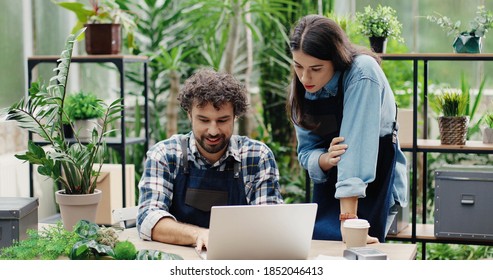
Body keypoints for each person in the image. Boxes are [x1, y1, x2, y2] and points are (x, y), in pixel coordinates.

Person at [286, 14, 408, 243]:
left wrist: (349, 221)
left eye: (316, 68)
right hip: (329, 188)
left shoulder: (362, 72)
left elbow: (354, 150)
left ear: (337, 58)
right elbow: (306, 152)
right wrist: (324, 159)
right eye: (298, 66)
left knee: (358, 256)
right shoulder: (302, 83)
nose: (305, 77)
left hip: (372, 183)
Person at [137, 68, 284, 251]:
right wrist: (199, 235)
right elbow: (148, 220)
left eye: (222, 120)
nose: (213, 131)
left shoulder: (257, 156)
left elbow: (269, 224)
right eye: (204, 120)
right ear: (189, 115)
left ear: (235, 117)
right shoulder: (165, 155)